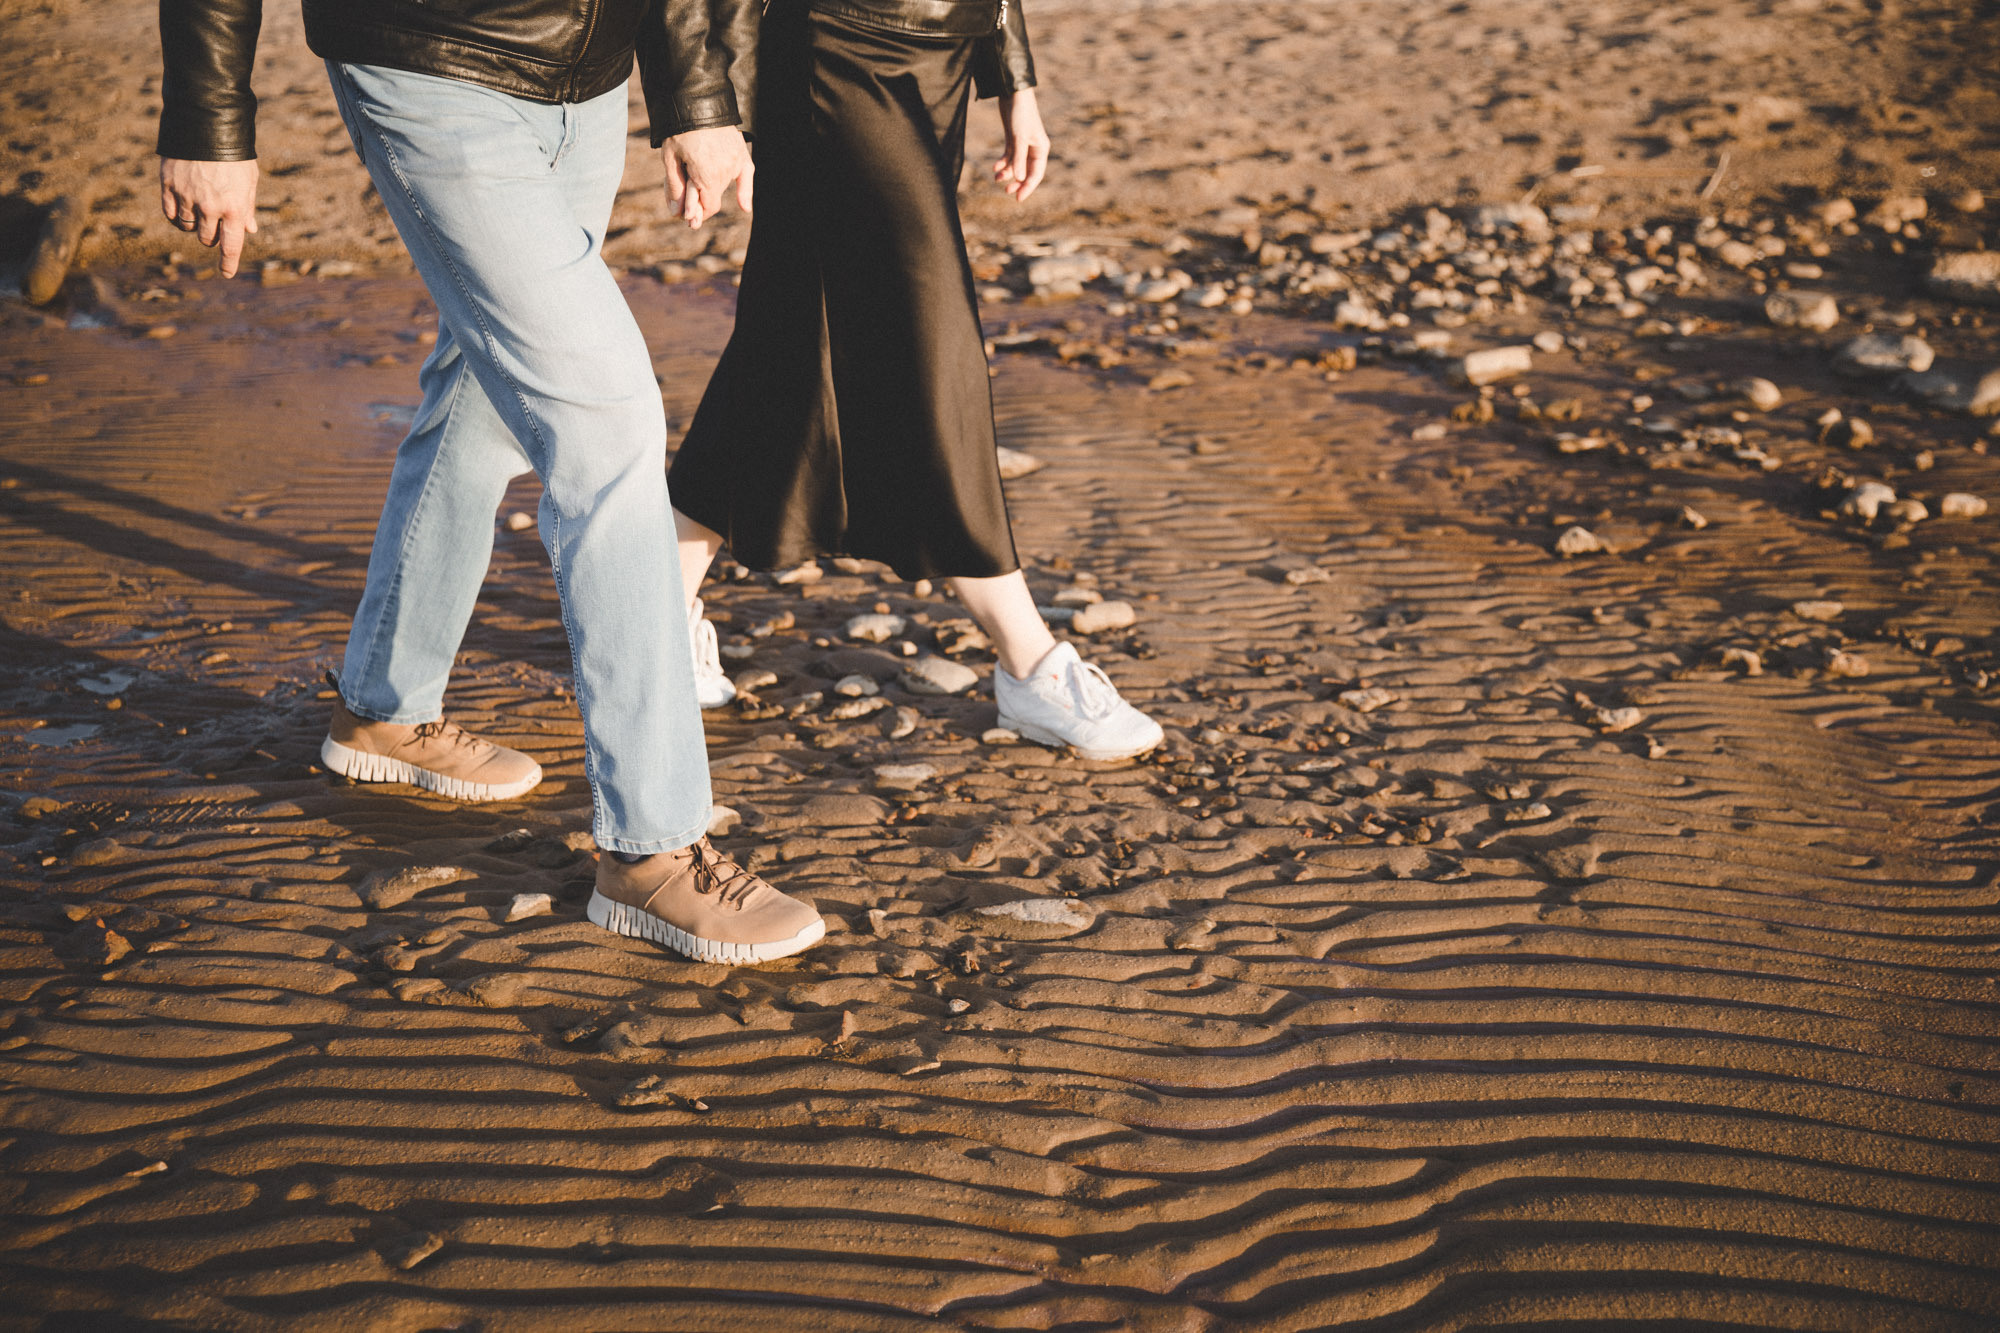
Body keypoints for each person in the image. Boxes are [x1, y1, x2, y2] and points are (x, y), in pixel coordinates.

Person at [157, 0, 825, 964]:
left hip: (587, 84)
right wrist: (207, 116)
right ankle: (653, 848)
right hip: (424, 57)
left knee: (485, 387)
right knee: (606, 420)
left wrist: (695, 97)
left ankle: (383, 710)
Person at [665, 0, 1164, 763]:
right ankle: (1027, 656)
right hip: (833, 46)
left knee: (795, 339)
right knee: (932, 330)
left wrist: (1014, 80)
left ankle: (655, 612)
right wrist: (708, 105)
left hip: (945, 55)